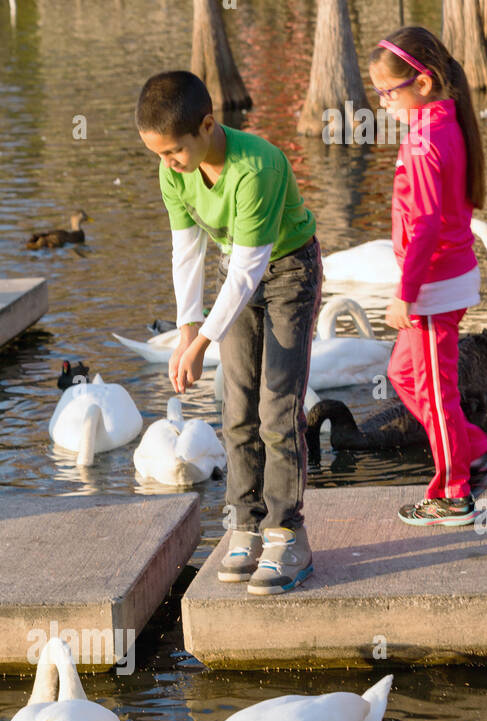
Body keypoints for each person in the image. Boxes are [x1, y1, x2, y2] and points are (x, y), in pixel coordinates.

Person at [135, 70, 321, 595]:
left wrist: (201, 343)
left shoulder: (255, 167)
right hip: (235, 274)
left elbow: (248, 271)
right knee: (235, 409)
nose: (166, 164)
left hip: (288, 273)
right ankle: (245, 524)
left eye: (173, 152)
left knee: (277, 411)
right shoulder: (172, 170)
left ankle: (288, 534)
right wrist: (186, 327)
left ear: (208, 126)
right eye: (158, 155)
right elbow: (187, 251)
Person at [369, 26, 487, 526]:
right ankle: (477, 453)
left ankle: (454, 494)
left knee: (435, 390)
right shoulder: (443, 123)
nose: (383, 103)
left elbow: (427, 224)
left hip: (432, 289)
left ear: (423, 83)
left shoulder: (426, 140)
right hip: (442, 280)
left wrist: (405, 295)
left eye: (388, 92)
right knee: (404, 376)